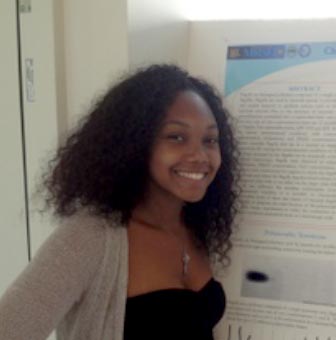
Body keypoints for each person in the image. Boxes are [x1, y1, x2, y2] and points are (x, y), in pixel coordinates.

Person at [0, 64, 239, 340]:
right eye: (177, 137)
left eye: (210, 140)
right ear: (135, 143)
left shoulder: (193, 225)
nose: (200, 156)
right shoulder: (91, 237)